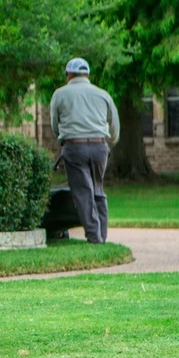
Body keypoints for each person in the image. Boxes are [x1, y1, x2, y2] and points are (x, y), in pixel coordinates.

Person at [50, 58, 119, 244]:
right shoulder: (102, 94)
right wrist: (107, 144)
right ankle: (102, 235)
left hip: (74, 146)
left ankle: (94, 236)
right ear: (87, 75)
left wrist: (65, 138)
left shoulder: (60, 94)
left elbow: (54, 124)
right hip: (99, 146)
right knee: (97, 189)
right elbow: (114, 126)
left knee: (82, 192)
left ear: (68, 75)